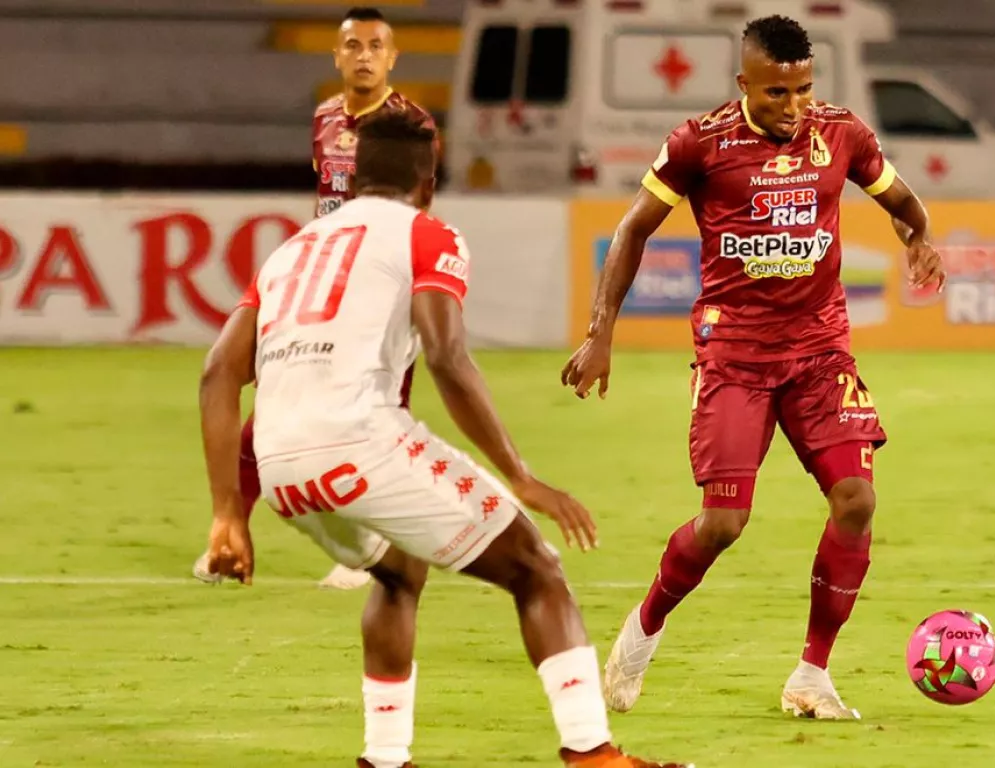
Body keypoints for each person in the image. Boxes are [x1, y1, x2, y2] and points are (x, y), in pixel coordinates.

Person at [198, 111, 690, 768]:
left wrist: (229, 513)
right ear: (429, 184)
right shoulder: (427, 234)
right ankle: (592, 754)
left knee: (397, 570)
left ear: (353, 181)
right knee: (536, 568)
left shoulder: (292, 250)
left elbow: (218, 373)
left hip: (280, 465)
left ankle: (385, 756)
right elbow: (447, 356)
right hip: (359, 443)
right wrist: (520, 475)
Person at [561, 15, 945, 720]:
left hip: (820, 351)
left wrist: (917, 237)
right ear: (745, 83)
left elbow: (902, 202)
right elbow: (633, 228)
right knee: (723, 524)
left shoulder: (842, 134)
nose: (793, 106)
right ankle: (642, 631)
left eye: (803, 90)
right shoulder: (699, 143)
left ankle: (812, 675)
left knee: (857, 501)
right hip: (735, 355)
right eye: (776, 93)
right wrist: (599, 332)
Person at [193, 5, 439, 590]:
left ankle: (370, 546)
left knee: (379, 414)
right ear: (336, 56)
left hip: (380, 284)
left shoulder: (412, 124)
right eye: (353, 45)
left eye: (375, 46)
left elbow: (420, 206)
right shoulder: (325, 117)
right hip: (322, 282)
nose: (364, 56)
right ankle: (229, 532)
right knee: (272, 405)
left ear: (392, 57)